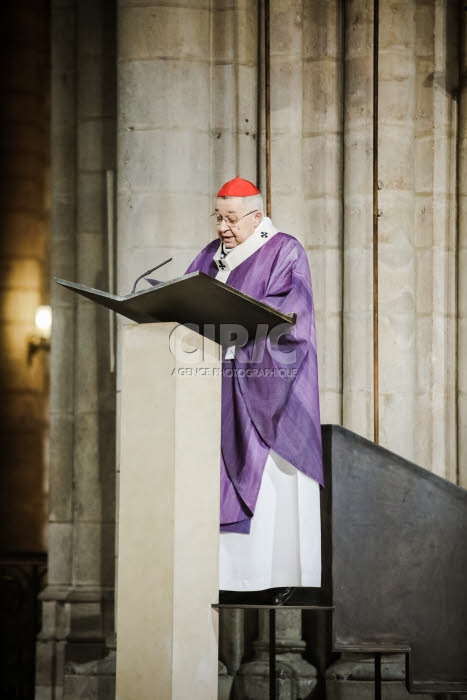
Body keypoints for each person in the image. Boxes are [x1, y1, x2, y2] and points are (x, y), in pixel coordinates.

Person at [186, 177, 323, 603]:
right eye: (218, 217)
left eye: (231, 219)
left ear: (257, 216)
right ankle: (224, 579)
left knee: (269, 482)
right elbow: (187, 300)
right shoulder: (210, 257)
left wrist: (239, 349)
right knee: (213, 478)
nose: (223, 228)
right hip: (214, 388)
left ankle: (273, 576)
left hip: (263, 389)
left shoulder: (284, 249)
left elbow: (292, 319)